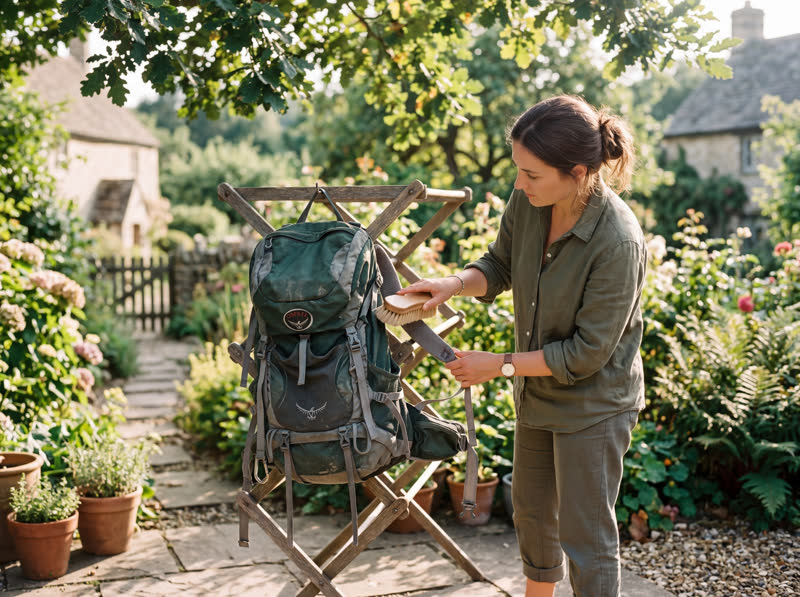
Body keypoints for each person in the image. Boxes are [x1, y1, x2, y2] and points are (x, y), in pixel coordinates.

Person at [397, 95, 646, 597]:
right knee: (533, 517)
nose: (518, 183)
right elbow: (499, 264)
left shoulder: (618, 241)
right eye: (518, 169)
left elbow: (585, 354)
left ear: (577, 173)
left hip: (594, 407)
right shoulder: (529, 202)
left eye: (531, 174)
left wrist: (500, 365)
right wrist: (452, 283)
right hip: (537, 394)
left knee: (586, 539)